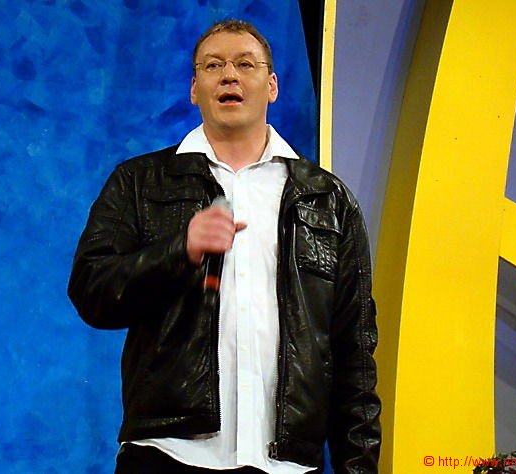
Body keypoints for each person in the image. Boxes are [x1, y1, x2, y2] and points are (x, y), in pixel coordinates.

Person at [68, 19, 380, 474]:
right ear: (195, 89)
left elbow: (354, 351)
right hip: (167, 454)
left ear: (272, 86)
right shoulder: (139, 182)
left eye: (245, 64)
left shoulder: (328, 199)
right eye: (213, 65)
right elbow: (92, 291)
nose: (229, 75)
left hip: (289, 464)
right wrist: (180, 250)